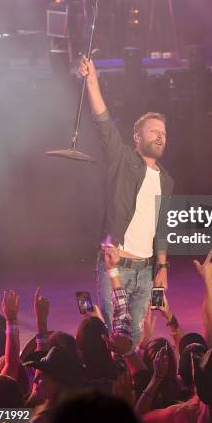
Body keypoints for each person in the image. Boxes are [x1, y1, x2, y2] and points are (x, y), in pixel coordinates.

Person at [79, 56, 174, 347]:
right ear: (137, 137)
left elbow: (162, 227)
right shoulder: (122, 160)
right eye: (154, 131)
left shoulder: (167, 180)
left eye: (164, 133)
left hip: (146, 272)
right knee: (115, 339)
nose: (161, 136)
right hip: (116, 265)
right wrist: (92, 82)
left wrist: (162, 268)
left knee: (134, 342)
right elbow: (103, 122)